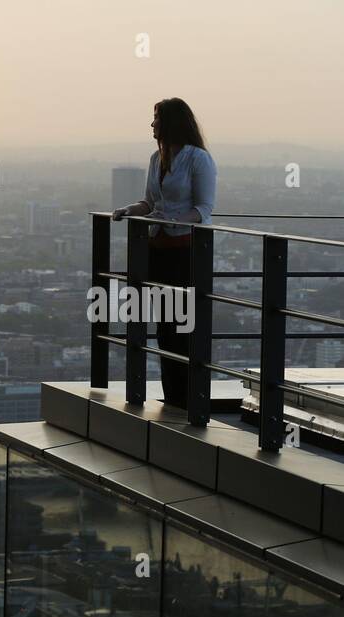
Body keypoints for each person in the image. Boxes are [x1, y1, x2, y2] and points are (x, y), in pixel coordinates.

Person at [113, 98, 217, 407]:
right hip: (157, 249)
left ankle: (187, 396)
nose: (152, 124)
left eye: (156, 119)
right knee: (163, 325)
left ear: (171, 123)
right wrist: (130, 210)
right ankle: (173, 395)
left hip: (184, 251)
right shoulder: (155, 159)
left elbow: (204, 210)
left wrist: (172, 220)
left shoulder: (198, 159)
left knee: (180, 326)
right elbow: (149, 202)